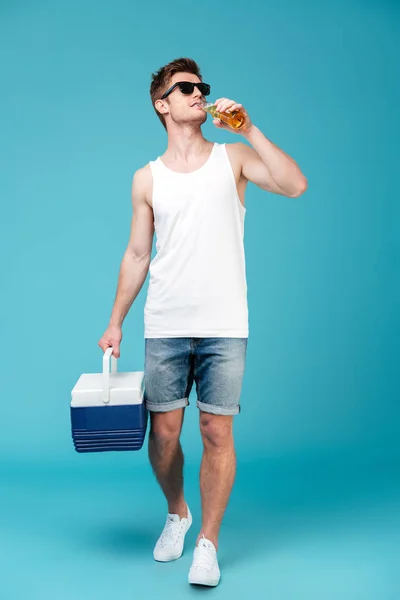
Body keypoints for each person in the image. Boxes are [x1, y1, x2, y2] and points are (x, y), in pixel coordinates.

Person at [98, 57, 307, 587]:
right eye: (184, 88)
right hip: (165, 322)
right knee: (163, 435)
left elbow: (294, 184)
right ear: (161, 104)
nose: (198, 93)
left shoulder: (232, 159)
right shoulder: (146, 178)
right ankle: (178, 512)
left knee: (216, 431)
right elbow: (137, 255)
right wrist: (115, 321)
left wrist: (250, 128)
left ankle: (208, 544)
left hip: (224, 323)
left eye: (201, 86)